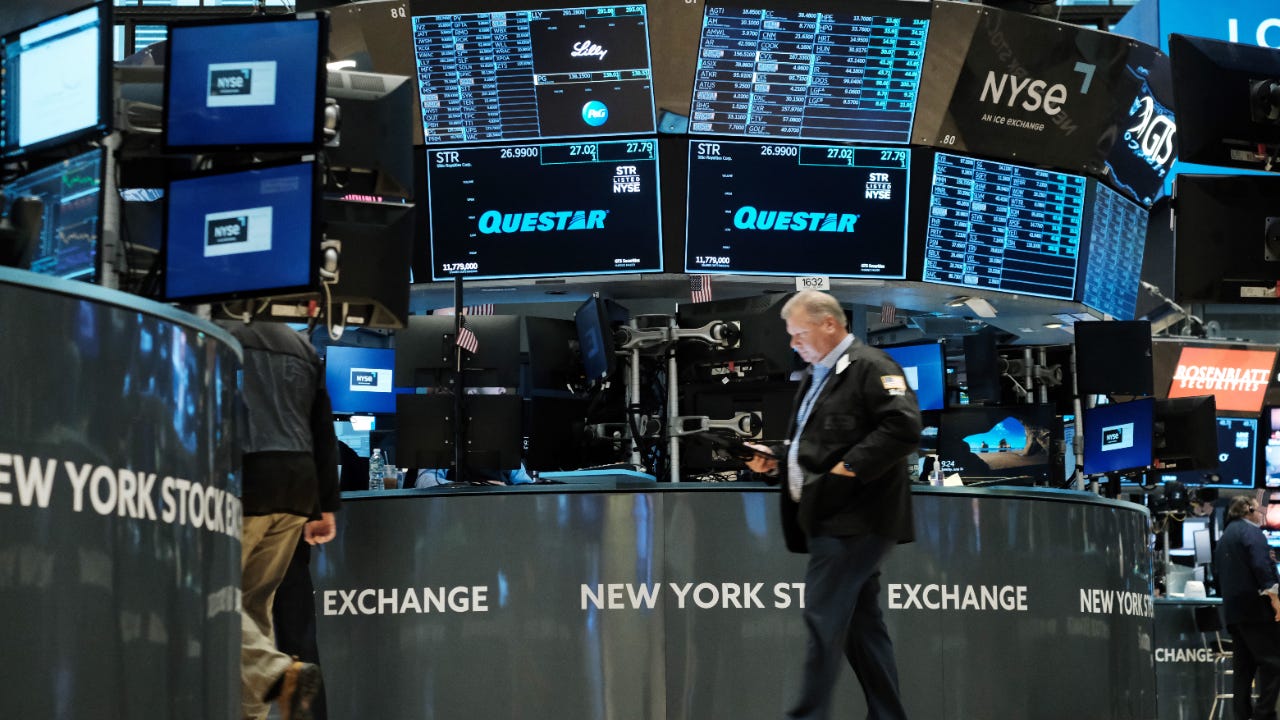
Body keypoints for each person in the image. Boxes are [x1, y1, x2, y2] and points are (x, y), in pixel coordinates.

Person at [745, 290, 921, 720]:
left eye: (798, 334)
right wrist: (778, 461)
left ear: (829, 324)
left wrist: (847, 470)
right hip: (831, 518)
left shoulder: (873, 367)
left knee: (823, 620)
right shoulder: (816, 374)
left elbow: (903, 427)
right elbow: (819, 443)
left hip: (857, 519)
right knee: (862, 629)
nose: (793, 344)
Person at [225, 320, 341, 720]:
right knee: (254, 607)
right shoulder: (301, 345)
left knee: (216, 598)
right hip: (298, 485)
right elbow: (322, 430)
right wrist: (323, 506)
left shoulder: (218, 333)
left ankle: (276, 673)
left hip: (248, 479)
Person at [1214, 495, 1280, 720]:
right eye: (1258, 508)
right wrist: (1274, 595)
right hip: (1256, 611)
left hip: (1235, 614)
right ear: (1248, 510)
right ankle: (1264, 715)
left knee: (1244, 670)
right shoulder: (1252, 532)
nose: (1262, 512)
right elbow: (1262, 567)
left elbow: (1216, 575)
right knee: (1273, 663)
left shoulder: (1225, 537)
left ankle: (1242, 716)